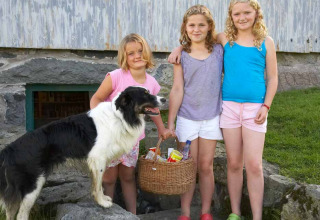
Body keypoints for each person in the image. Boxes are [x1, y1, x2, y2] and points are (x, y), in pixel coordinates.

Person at [168, 1, 278, 220]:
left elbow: (273, 77)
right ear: (231, 16)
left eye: (247, 12)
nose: (242, 17)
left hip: (255, 108)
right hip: (227, 108)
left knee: (254, 164)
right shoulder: (225, 39)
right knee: (234, 163)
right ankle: (235, 213)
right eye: (237, 13)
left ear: (256, 13)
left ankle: (257, 217)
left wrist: (266, 105)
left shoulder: (265, 42)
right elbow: (196, 38)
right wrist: (179, 47)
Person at [90, 33, 171, 214]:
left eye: (140, 51)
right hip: (112, 138)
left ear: (147, 52)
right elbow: (96, 98)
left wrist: (162, 128)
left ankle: (132, 214)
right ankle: (108, 213)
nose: (137, 56)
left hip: (132, 140)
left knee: (128, 176)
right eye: (131, 53)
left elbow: (153, 109)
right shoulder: (116, 77)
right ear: (124, 56)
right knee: (109, 178)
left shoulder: (152, 83)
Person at [167, 5, 224, 220]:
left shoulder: (219, 50)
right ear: (185, 27)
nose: (196, 29)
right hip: (187, 118)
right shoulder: (182, 57)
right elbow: (177, 89)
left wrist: (179, 46)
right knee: (188, 167)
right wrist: (171, 122)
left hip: (211, 117)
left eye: (202, 25)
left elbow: (225, 36)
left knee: (206, 166)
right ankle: (184, 213)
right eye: (192, 25)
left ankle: (206, 212)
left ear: (209, 27)